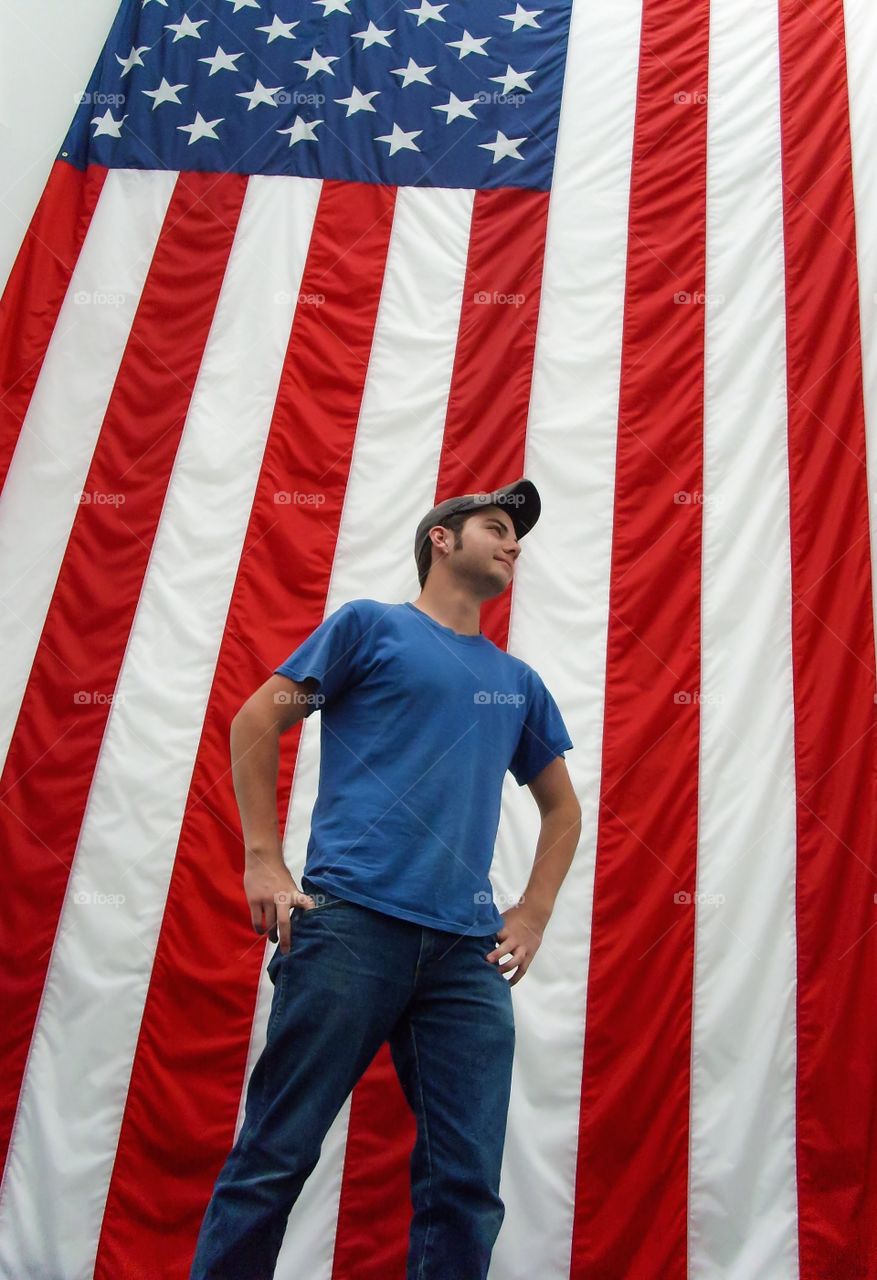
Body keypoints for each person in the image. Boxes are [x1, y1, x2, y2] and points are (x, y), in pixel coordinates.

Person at [189, 477, 582, 1280]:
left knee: (465, 1187)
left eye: (518, 535)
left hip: (466, 958)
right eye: (497, 526)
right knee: (276, 1155)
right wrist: (263, 857)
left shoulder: (518, 683)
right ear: (441, 538)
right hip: (350, 927)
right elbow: (255, 718)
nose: (513, 543)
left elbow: (563, 811)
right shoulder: (369, 628)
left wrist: (533, 912)